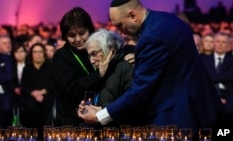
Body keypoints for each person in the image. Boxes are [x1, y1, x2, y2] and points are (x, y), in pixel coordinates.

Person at [78, 0, 222, 139]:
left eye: (120, 25)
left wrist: (100, 115)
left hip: (177, 117)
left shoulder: (151, 37)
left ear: (132, 16)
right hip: (198, 106)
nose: (121, 33)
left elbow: (140, 92)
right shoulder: (169, 20)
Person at [53, 7, 134, 126]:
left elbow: (118, 47)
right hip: (73, 119)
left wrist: (137, 54)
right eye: (71, 35)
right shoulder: (61, 56)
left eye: (82, 33)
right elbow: (73, 88)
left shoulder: (97, 44)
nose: (78, 39)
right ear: (65, 36)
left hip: (103, 113)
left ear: (90, 30)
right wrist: (99, 74)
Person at [85, 29, 146, 126]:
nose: (92, 61)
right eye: (89, 56)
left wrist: (102, 111)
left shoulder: (127, 66)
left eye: (94, 53)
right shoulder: (103, 69)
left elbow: (132, 105)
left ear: (110, 49)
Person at [20, 43, 55, 140]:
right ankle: (34, 135)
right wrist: (34, 93)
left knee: (48, 104)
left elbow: (55, 83)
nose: (38, 54)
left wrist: (43, 92)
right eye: (35, 52)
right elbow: (24, 86)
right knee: (30, 106)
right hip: (31, 97)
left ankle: (45, 135)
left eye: (40, 51)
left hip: (48, 95)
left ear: (44, 53)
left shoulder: (51, 67)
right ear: (31, 54)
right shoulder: (27, 69)